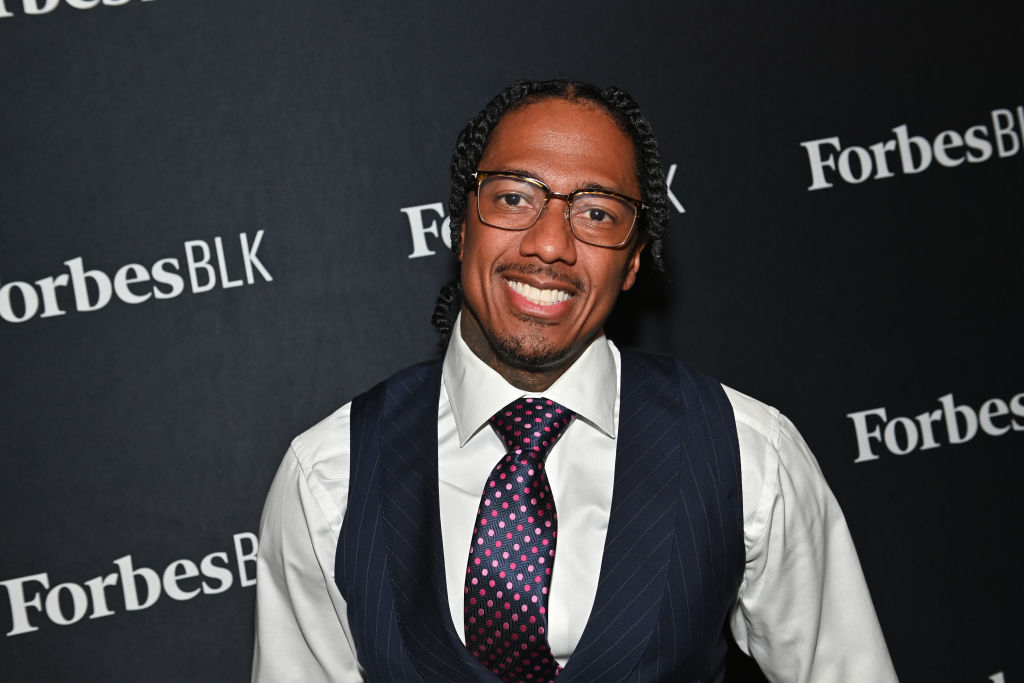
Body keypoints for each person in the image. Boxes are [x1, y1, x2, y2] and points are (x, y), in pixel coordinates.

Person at [252, 79, 898, 682]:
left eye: (596, 213)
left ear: (635, 258)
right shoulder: (327, 474)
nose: (551, 244)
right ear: (460, 224)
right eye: (514, 197)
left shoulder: (748, 452)